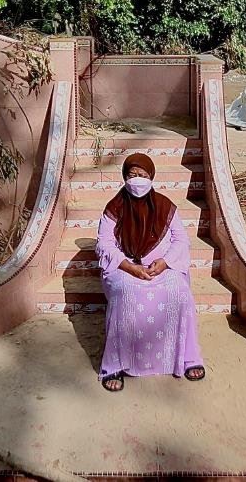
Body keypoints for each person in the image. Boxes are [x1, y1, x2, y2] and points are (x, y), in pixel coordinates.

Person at [95, 152, 205, 391]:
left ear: (152, 178)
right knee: (125, 292)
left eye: (142, 175)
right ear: (124, 178)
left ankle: (188, 358)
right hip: (125, 266)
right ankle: (114, 365)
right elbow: (104, 243)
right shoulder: (114, 207)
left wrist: (165, 262)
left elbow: (181, 241)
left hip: (161, 268)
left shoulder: (165, 206)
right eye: (132, 175)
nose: (137, 180)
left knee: (180, 291)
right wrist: (129, 267)